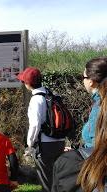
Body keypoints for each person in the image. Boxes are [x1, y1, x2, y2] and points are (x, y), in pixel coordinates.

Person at [52, 57, 107, 192]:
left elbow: (99, 143)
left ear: (91, 81)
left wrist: (79, 155)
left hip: (97, 171)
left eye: (83, 77)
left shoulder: (100, 108)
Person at [17, 67, 65, 192]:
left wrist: (29, 144)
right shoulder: (52, 94)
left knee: (46, 181)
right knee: (56, 177)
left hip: (45, 144)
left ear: (28, 84)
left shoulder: (36, 100)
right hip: (60, 141)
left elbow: (35, 125)